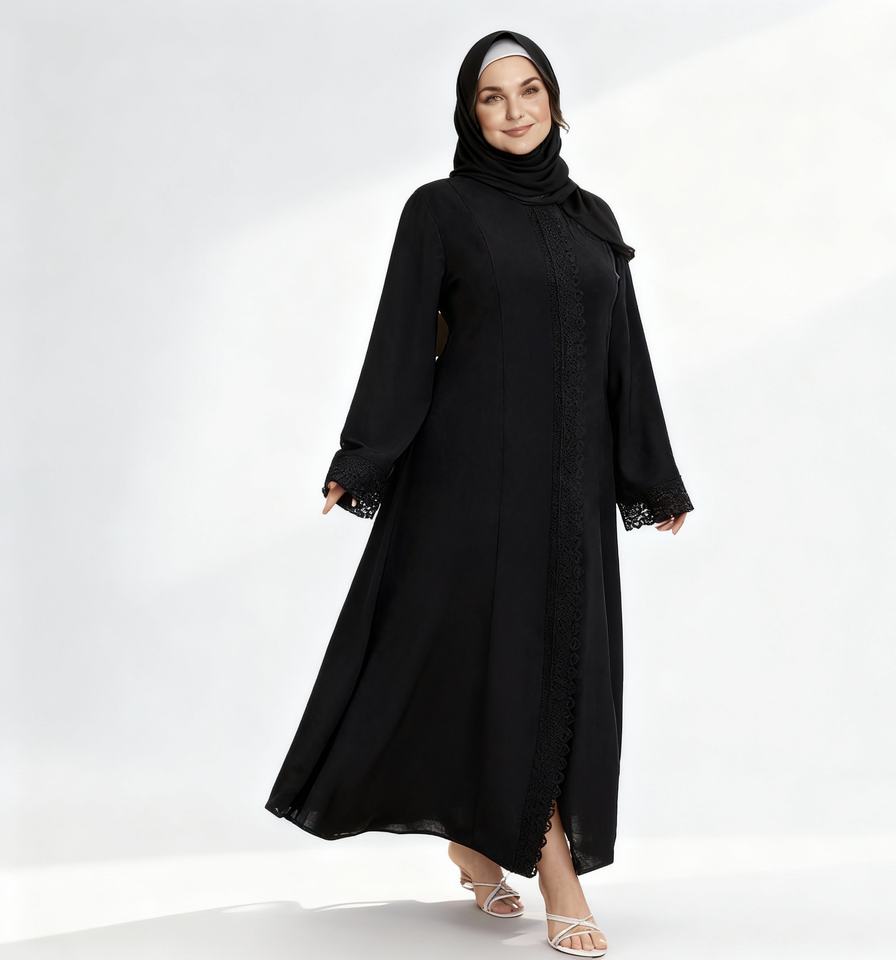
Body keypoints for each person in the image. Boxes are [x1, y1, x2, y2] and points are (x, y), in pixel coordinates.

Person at [265, 28, 694, 958]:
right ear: (468, 112)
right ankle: (556, 873)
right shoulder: (441, 210)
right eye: (491, 96)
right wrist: (363, 455)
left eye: (529, 90)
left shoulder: (590, 216)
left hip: (571, 490)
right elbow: (400, 341)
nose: (514, 110)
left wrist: (651, 474)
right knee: (508, 664)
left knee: (559, 664)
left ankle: (474, 841)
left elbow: (624, 353)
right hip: (472, 483)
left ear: (555, 102)